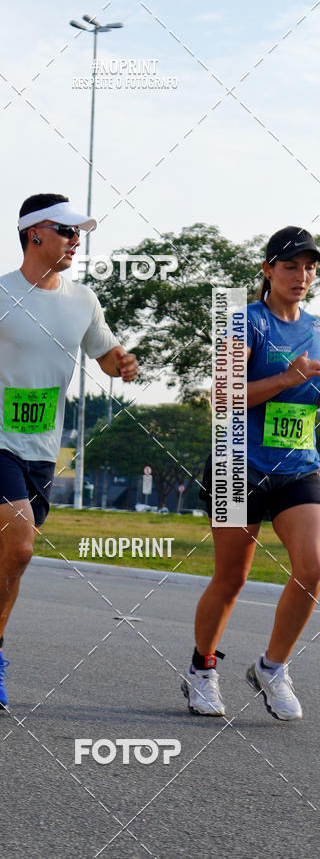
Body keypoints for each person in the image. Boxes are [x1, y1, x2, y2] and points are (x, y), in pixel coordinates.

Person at [0, 193, 138, 709]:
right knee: (18, 547)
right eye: (65, 231)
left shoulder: (83, 300)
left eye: (77, 233)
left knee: (4, 558)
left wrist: (122, 364)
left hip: (43, 448)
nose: (75, 241)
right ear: (34, 233)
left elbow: (105, 355)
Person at [183, 226, 320, 721]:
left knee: (313, 566)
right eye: (290, 266)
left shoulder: (318, 328)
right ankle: (202, 671)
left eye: (309, 267)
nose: (301, 276)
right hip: (235, 464)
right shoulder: (244, 323)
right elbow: (223, 397)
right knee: (232, 577)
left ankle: (272, 667)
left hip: (299, 466)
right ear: (267, 271)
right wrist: (289, 377)